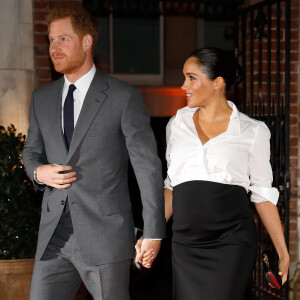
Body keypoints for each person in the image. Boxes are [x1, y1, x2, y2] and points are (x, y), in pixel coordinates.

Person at [22, 7, 165, 300]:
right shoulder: (42, 99)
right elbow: (31, 151)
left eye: (63, 38)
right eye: (50, 40)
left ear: (87, 42)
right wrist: (38, 172)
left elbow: (147, 167)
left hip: (105, 235)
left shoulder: (123, 97)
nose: (54, 47)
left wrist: (153, 231)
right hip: (53, 237)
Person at [137, 47, 289, 299]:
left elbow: (262, 196)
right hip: (186, 244)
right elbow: (172, 187)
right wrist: (150, 232)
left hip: (231, 242)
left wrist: (283, 252)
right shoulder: (177, 124)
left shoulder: (253, 131)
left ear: (217, 83)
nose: (183, 85)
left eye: (191, 77)